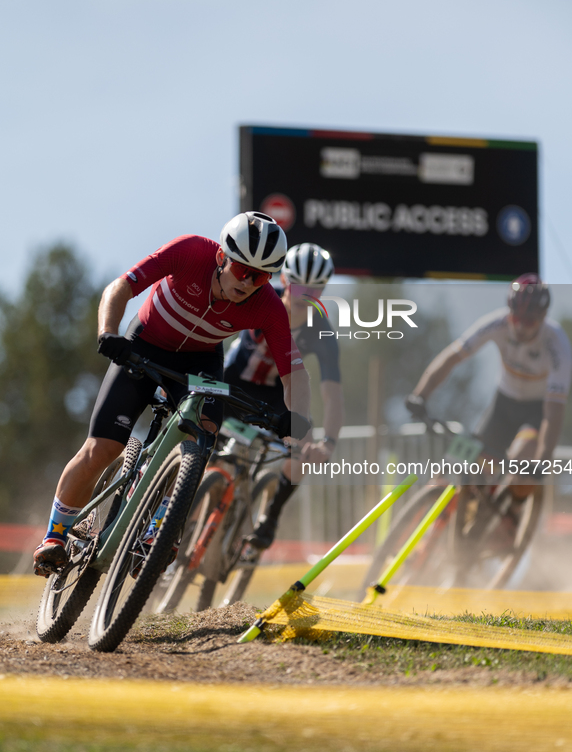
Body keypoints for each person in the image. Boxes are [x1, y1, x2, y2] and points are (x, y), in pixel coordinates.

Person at [33, 212, 311, 577]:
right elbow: (120, 286)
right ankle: (55, 536)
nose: (249, 283)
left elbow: (295, 373)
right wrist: (108, 332)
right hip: (144, 343)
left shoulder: (267, 306)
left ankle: (158, 529)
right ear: (221, 258)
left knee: (204, 434)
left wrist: (296, 419)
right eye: (243, 271)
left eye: (261, 277)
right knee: (102, 448)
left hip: (199, 362)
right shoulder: (190, 251)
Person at [224, 242, 343, 550]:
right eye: (299, 285)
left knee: (304, 440)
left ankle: (271, 516)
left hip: (276, 392)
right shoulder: (259, 295)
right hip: (234, 379)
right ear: (285, 280)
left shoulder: (321, 329)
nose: (306, 295)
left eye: (316, 289)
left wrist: (328, 443)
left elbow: (333, 395)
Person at [406, 274, 572, 494]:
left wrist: (543, 459)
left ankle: (509, 519)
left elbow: (554, 412)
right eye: (516, 318)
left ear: (543, 318)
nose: (520, 327)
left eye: (529, 321)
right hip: (503, 403)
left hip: (537, 410)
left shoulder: (557, 345)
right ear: (509, 312)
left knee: (520, 460)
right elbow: (452, 357)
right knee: (460, 458)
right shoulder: (496, 323)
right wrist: (420, 395)